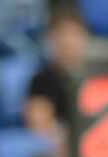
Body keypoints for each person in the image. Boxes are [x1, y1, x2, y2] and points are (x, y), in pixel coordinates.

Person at [24, 7, 90, 149]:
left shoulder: (97, 78)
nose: (68, 42)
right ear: (51, 39)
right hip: (62, 151)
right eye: (62, 35)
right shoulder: (42, 80)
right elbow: (38, 125)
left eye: (74, 34)